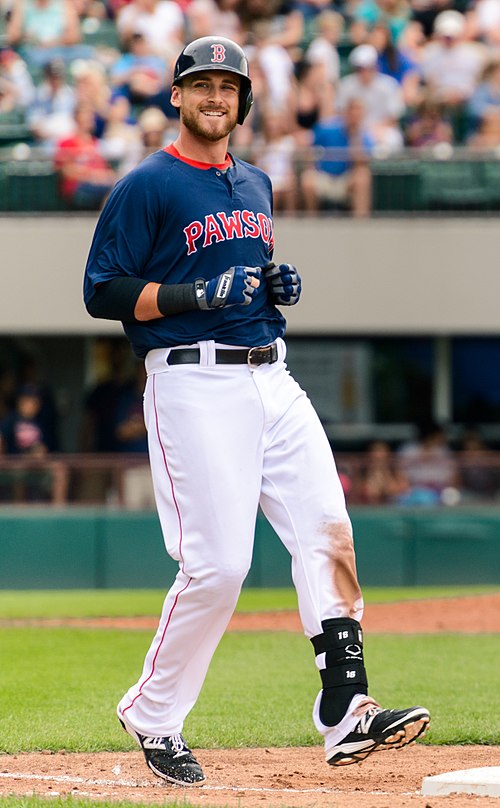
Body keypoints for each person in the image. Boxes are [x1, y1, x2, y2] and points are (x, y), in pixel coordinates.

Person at [83, 34, 430, 787]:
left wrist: (273, 286)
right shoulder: (148, 183)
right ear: (176, 95)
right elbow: (101, 290)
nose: (216, 98)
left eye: (228, 87)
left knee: (326, 527)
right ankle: (154, 714)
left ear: (242, 101)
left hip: (272, 374)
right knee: (220, 566)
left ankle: (345, 707)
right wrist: (189, 297)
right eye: (202, 84)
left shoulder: (256, 184)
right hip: (193, 381)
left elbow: (230, 270)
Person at [300, 97, 374, 217]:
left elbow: (361, 162)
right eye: (351, 111)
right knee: (308, 179)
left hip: (346, 179)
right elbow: (309, 146)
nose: (354, 115)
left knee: (362, 176)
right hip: (324, 177)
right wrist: (311, 165)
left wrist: (355, 136)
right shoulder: (327, 128)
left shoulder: (364, 136)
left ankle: (361, 222)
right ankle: (311, 220)